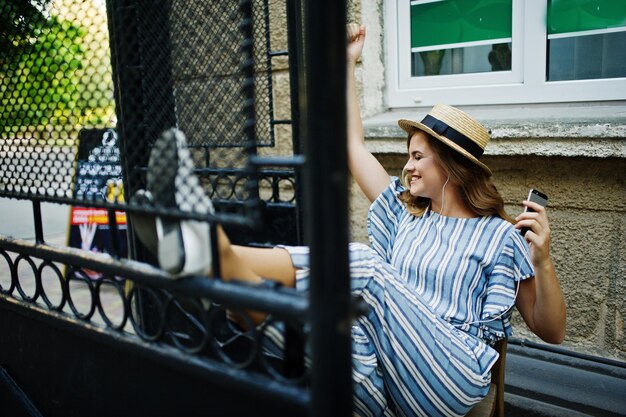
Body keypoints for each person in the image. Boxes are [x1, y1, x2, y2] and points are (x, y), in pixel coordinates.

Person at [132, 23, 566, 417]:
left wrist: (542, 261)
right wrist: (346, 64)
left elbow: (552, 331)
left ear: (451, 167)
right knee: (317, 331)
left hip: (451, 376)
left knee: (368, 268)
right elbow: (353, 145)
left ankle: (216, 254)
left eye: (417, 156)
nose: (408, 166)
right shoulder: (406, 217)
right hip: (393, 372)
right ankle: (229, 286)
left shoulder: (499, 236)